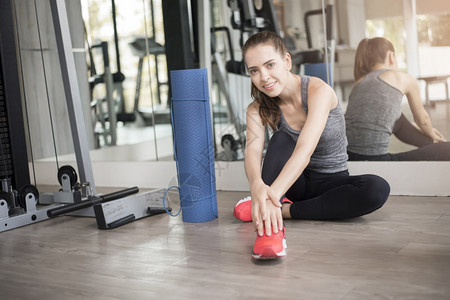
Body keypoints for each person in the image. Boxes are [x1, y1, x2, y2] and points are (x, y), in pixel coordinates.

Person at [232, 31, 390, 260]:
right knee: (281, 139)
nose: (263, 77)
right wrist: (257, 186)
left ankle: (278, 210)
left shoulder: (318, 91)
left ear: (287, 61)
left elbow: (304, 151)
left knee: (377, 189)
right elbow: (252, 151)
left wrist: (271, 197)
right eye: (254, 70)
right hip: (293, 184)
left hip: (330, 181)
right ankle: (271, 230)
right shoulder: (256, 108)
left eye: (270, 65)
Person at [345, 37, 450, 161]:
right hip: (378, 161)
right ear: (391, 56)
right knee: (447, 148)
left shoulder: (358, 83)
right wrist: (431, 133)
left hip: (349, 158)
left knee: (398, 118)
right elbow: (423, 120)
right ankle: (436, 143)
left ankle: (432, 143)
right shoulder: (402, 78)